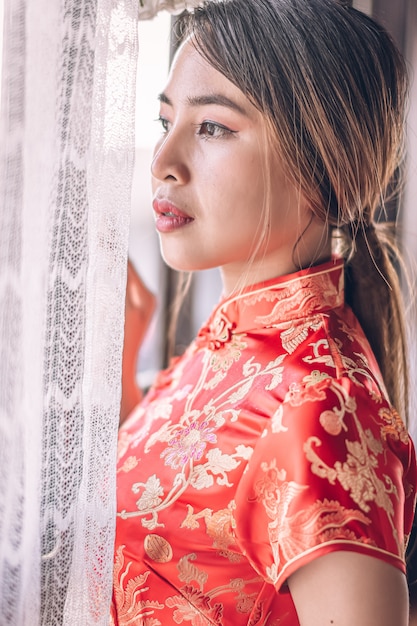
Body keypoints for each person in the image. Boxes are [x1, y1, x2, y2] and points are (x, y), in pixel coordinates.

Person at [111, 0, 417, 623]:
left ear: (320, 164)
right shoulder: (236, 342)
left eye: (213, 127)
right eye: (165, 120)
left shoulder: (317, 405)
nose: (162, 162)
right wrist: (119, 368)